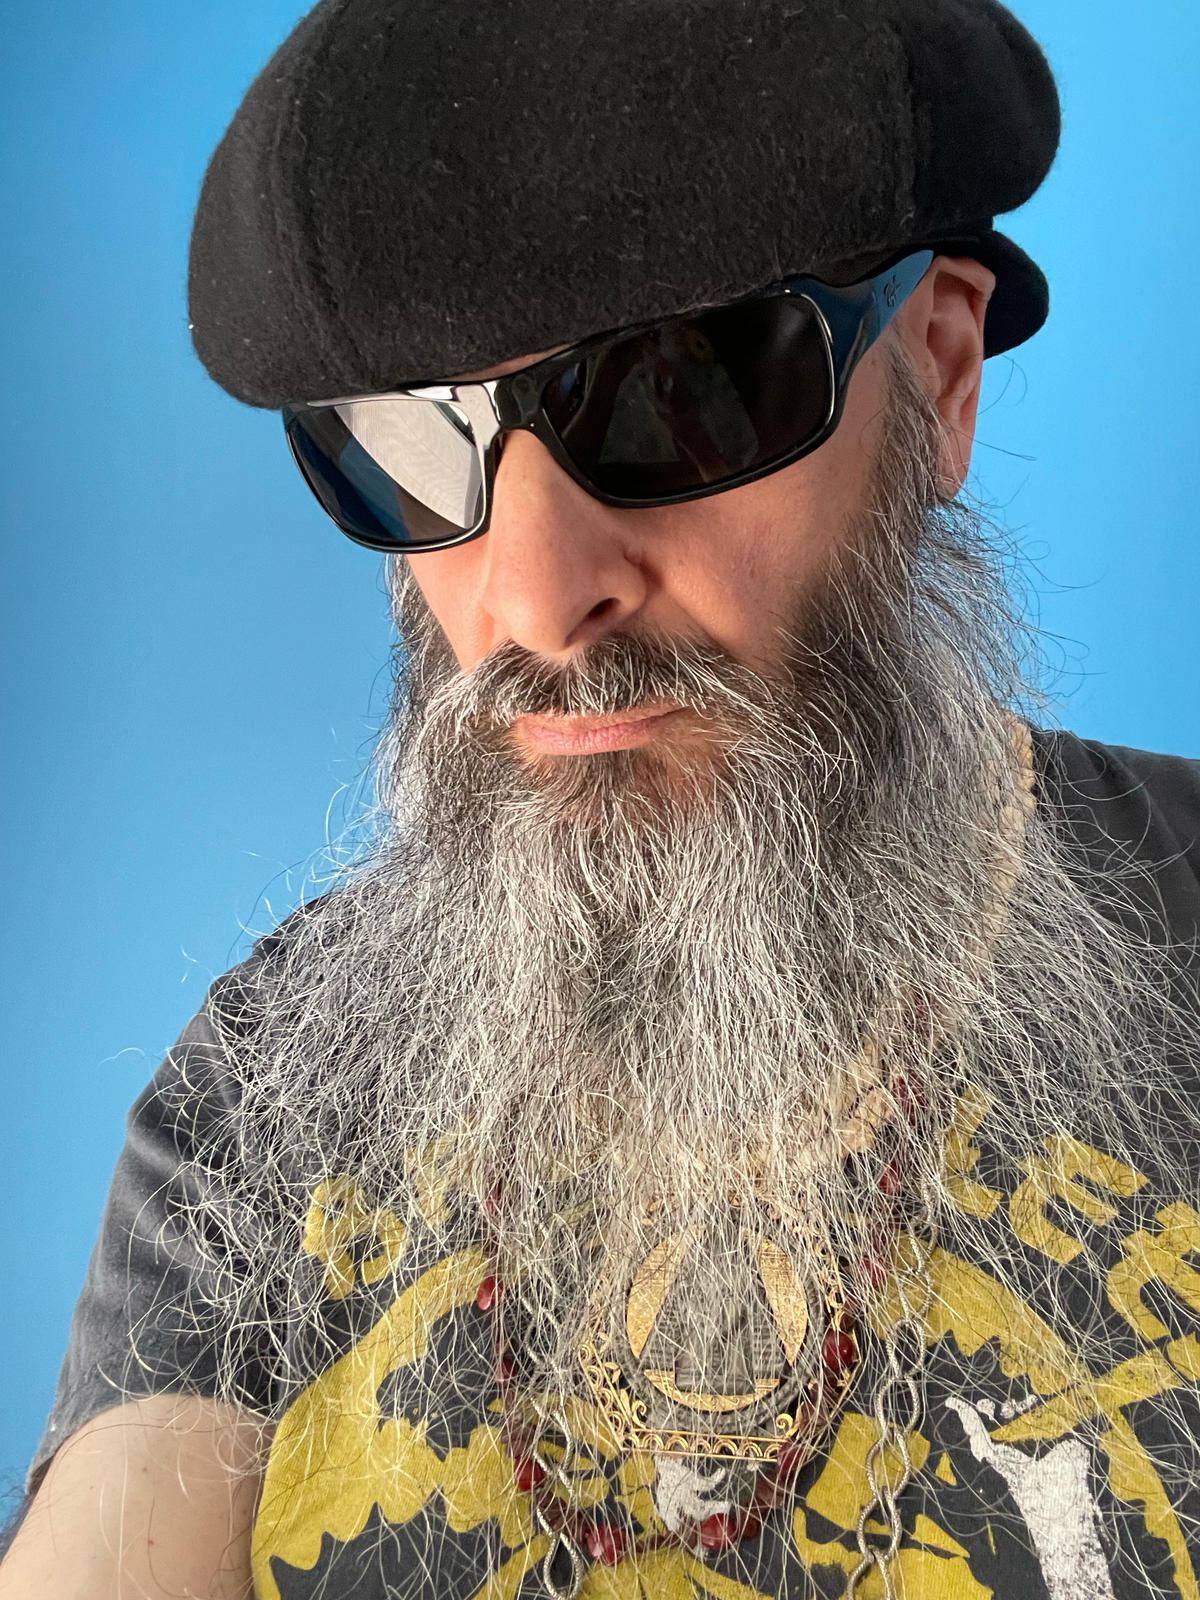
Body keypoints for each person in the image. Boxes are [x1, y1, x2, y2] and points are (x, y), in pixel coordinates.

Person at [2, 0, 1198, 1595]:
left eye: (678, 393)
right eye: (412, 440)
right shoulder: (258, 1092)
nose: (534, 597)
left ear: (940, 372)